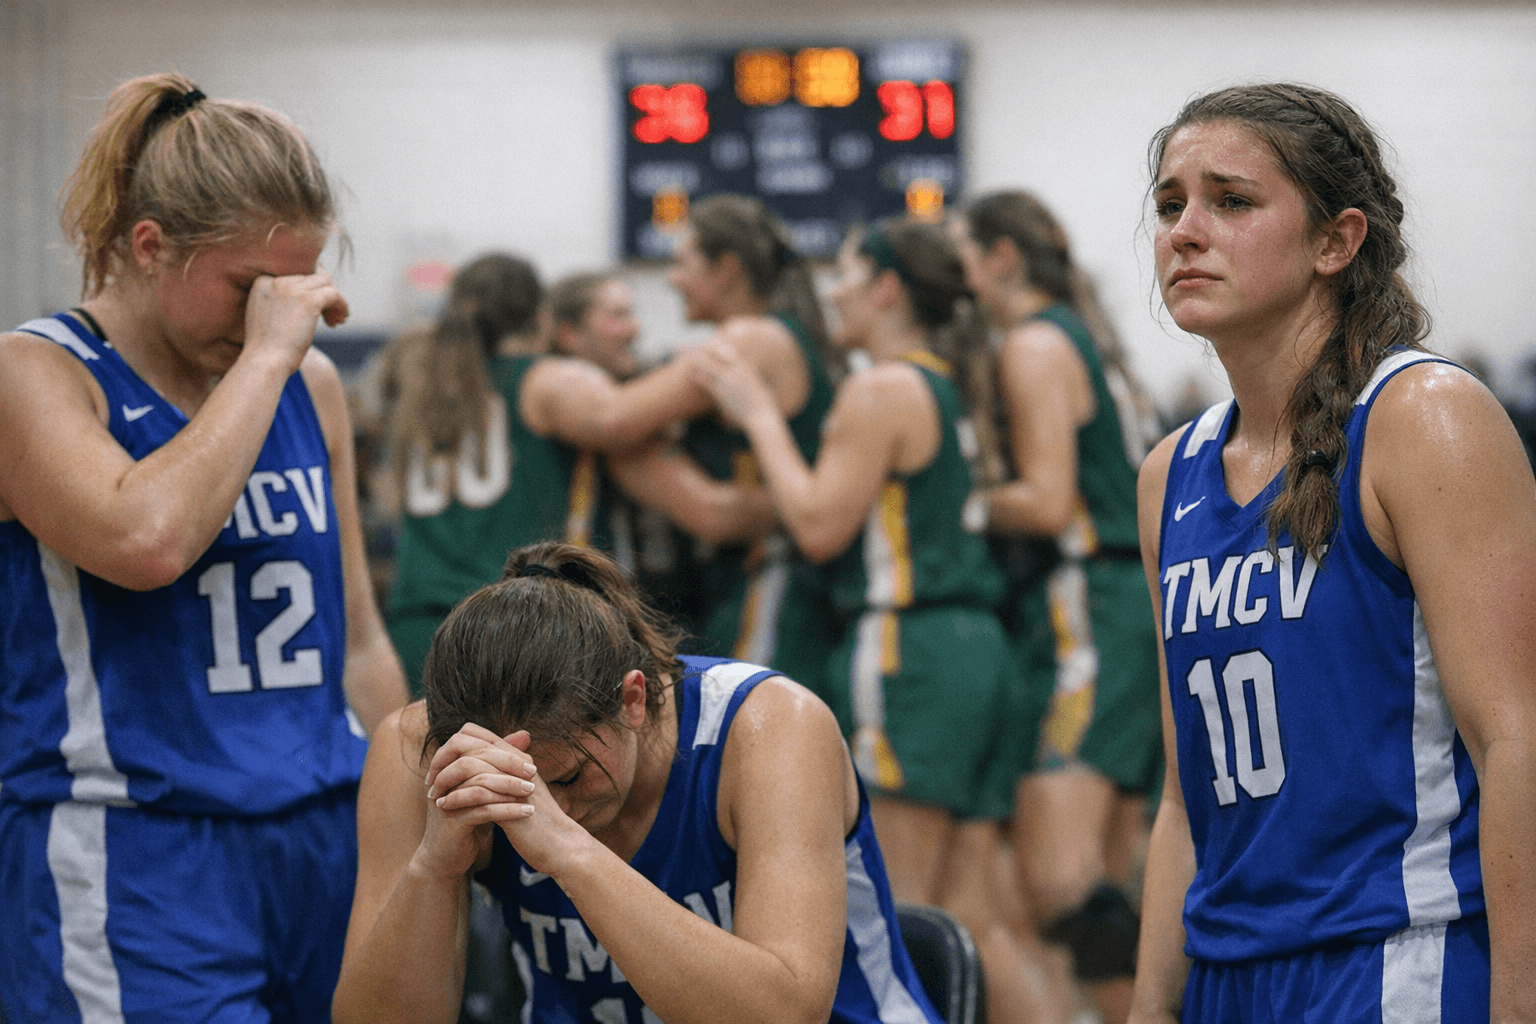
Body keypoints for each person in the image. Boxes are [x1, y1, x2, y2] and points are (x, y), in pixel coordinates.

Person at [0, 73, 408, 1022]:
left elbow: (359, 639)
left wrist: (411, 823)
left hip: (319, 829)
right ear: (149, 247)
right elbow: (143, 539)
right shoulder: (38, 373)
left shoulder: (312, 388)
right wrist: (268, 356)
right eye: (249, 289)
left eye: (292, 288)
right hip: (137, 847)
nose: (278, 316)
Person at [1129, 83, 1536, 1024]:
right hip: (1227, 971)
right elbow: (1185, 802)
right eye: (1168, 204)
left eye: (1230, 200)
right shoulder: (1169, 473)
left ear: (1334, 241)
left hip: (1396, 960)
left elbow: (1513, 740)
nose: (1185, 230)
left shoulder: (1425, 420)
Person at [333, 540, 943, 1024]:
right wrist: (433, 870)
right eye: (519, 795)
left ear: (632, 699)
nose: (554, 810)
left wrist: (568, 854)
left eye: (566, 777)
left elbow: (784, 1014)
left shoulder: (770, 729)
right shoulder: (421, 755)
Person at [693, 217, 1055, 1023]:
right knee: (980, 919)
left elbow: (818, 524)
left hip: (909, 649)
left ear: (888, 288)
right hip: (976, 645)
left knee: (900, 922)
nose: (834, 291)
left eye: (849, 274)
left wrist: (757, 414)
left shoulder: (881, 386)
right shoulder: (944, 379)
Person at [952, 191, 1161, 1023]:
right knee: (1095, 889)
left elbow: (1043, 502)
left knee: (1060, 887)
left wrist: (953, 497)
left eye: (966, 252)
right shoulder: (1087, 338)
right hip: (1116, 605)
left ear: (1001, 256)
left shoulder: (1035, 344)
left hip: (1089, 606)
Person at [384, 255, 773, 693]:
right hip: (511, 630)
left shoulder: (426, 389)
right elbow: (617, 419)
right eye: (618, 314)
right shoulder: (548, 382)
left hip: (417, 624)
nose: (634, 327)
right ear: (546, 320)